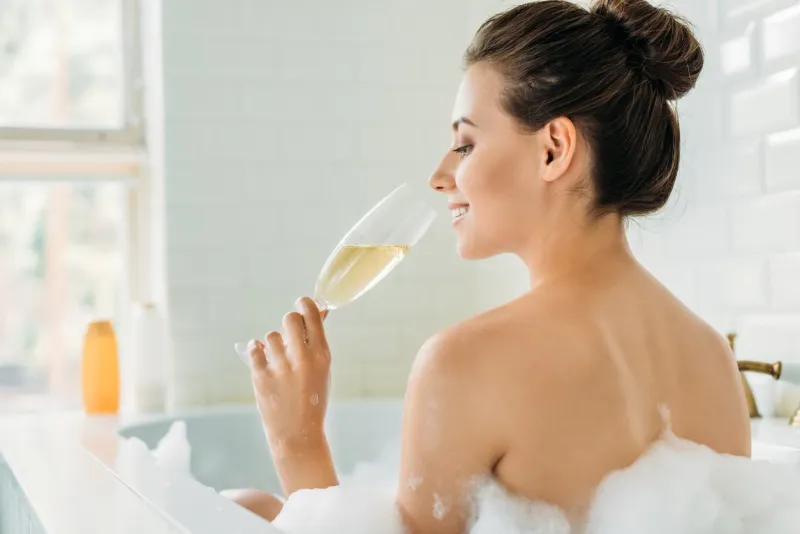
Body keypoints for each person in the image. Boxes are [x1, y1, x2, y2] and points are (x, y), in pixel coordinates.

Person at [226, 0, 750, 532]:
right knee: (252, 506)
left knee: (240, 506)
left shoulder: (463, 362)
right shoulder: (712, 359)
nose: (439, 175)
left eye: (465, 143)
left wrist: (298, 442)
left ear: (553, 149)